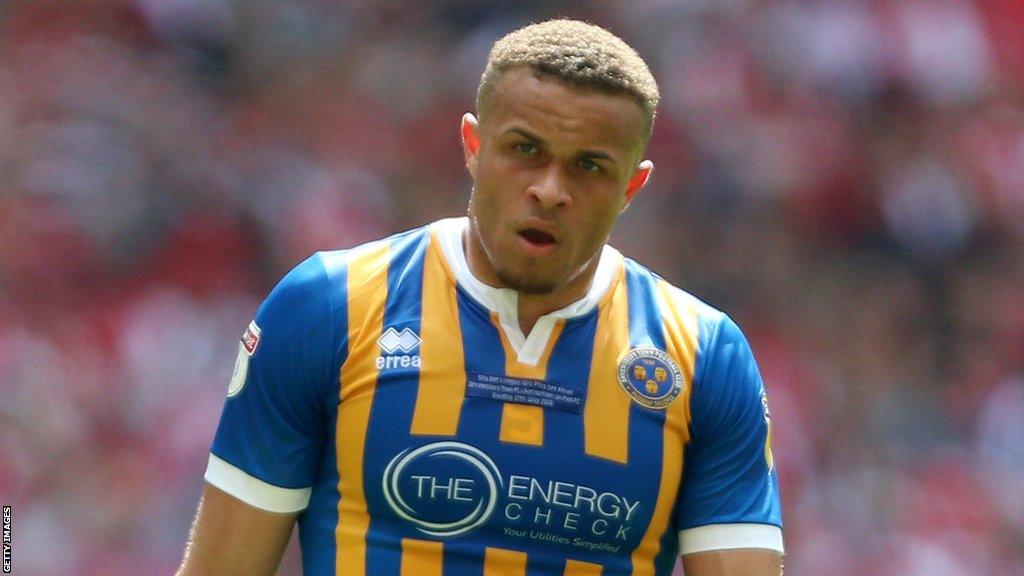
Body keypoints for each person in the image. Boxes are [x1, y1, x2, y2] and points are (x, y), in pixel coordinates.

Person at [176, 19, 783, 576]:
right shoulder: (330, 306)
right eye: (525, 150)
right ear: (473, 145)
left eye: (589, 167)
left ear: (632, 185)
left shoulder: (704, 356)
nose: (550, 190)